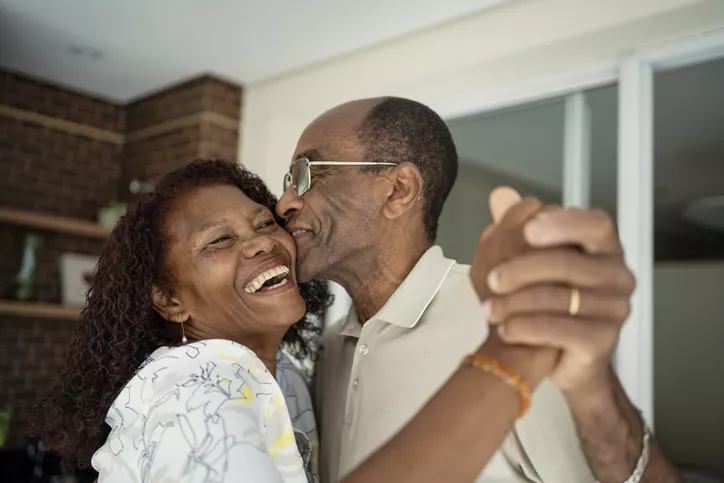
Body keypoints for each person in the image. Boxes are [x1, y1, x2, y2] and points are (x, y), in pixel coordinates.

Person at [34, 159, 594, 482]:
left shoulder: (292, 377)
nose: (262, 244)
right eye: (221, 241)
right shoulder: (204, 383)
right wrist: (503, 361)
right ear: (170, 302)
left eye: (262, 224)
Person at [276, 97, 682, 482]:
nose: (284, 204)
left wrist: (593, 389)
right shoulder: (330, 349)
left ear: (398, 189)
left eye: (305, 174)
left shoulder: (505, 323)